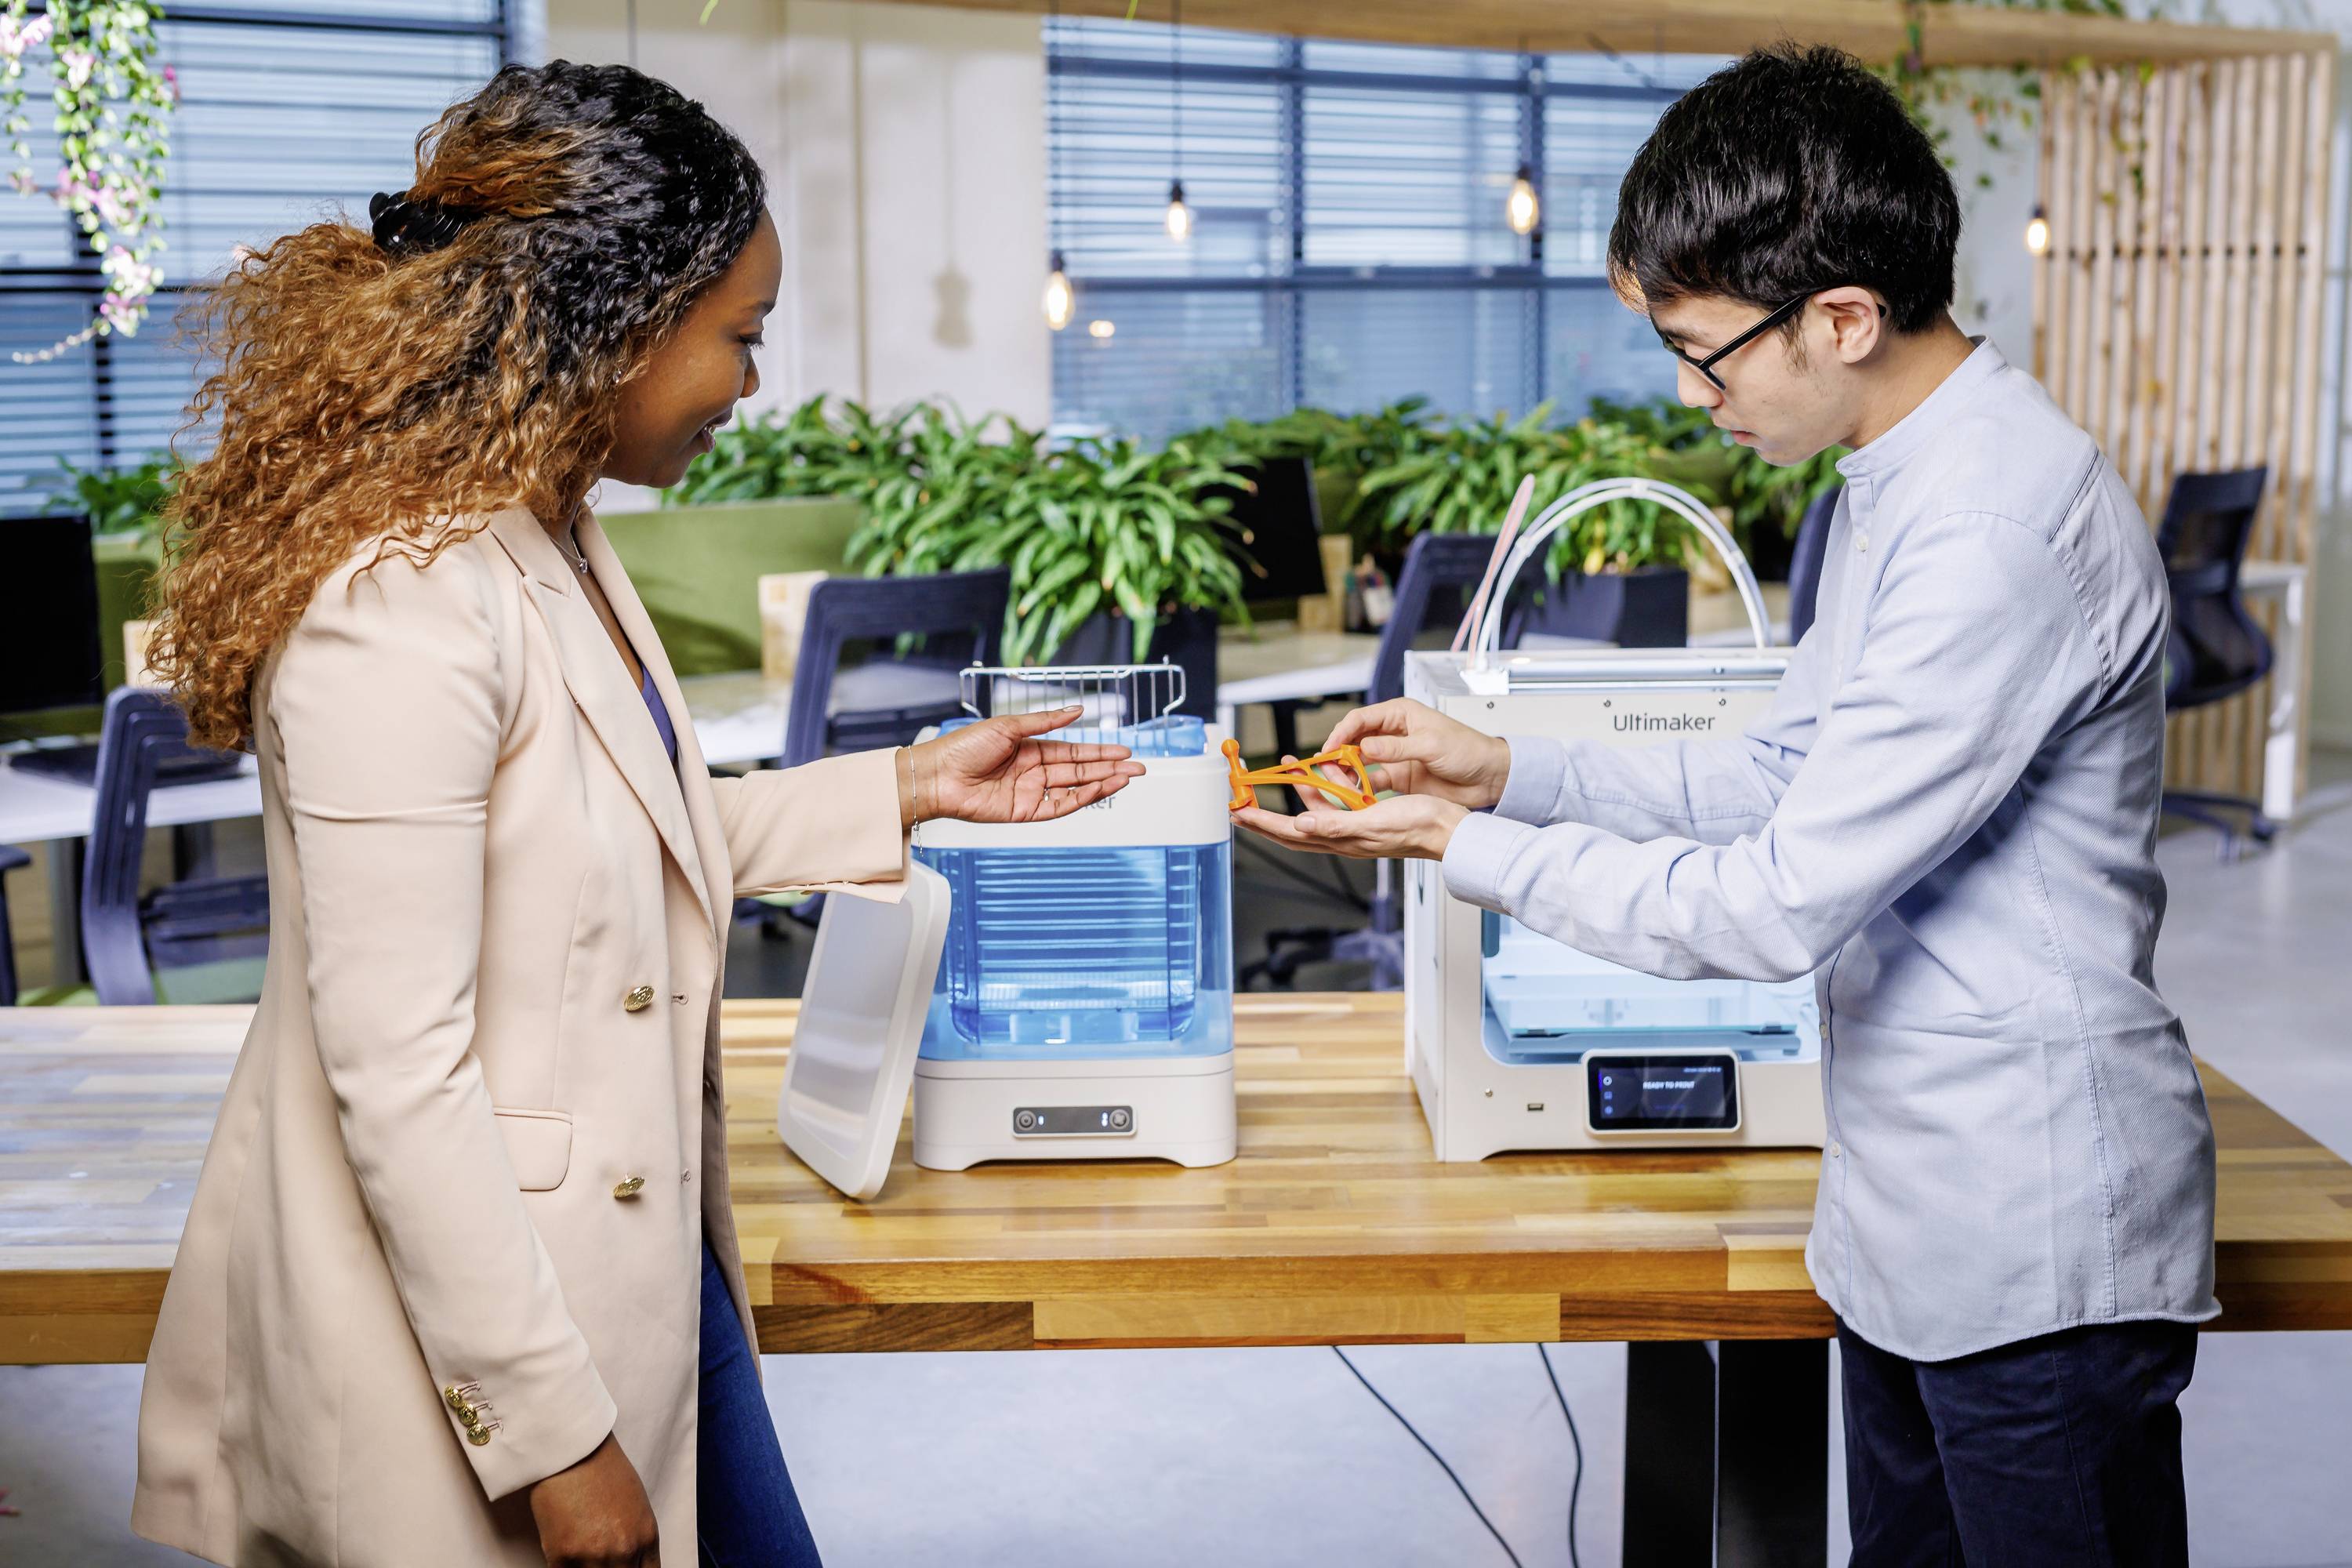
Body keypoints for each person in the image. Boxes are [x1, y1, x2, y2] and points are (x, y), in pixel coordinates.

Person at [129, 61, 1141, 1568]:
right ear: (611, 320)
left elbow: (600, 856)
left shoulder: (552, 527)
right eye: (739, 336)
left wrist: (911, 786)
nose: (752, 382)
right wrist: (555, 1441)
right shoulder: (398, 596)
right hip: (498, 1349)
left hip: (650, 1271)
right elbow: (398, 1069)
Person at [1239, 45, 2214, 1568]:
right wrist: (1501, 765)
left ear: (1843, 316)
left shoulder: (1998, 525)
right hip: (1913, 1215)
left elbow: (1772, 898)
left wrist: (1461, 848)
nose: (1698, 401)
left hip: (2032, 1240)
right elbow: (1776, 771)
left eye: (1708, 353)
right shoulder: (1891, 478)